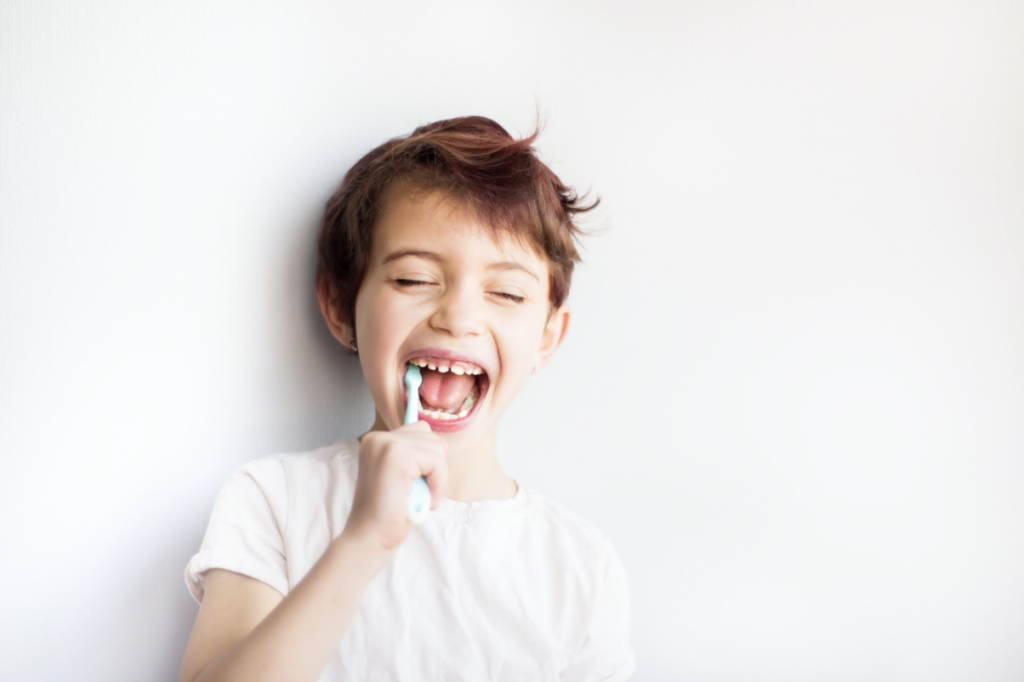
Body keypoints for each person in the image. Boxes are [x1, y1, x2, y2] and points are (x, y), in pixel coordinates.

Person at [179, 116, 634, 682]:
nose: (459, 318)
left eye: (507, 292)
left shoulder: (582, 568)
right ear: (343, 309)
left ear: (546, 337)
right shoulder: (275, 500)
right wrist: (363, 541)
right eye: (414, 280)